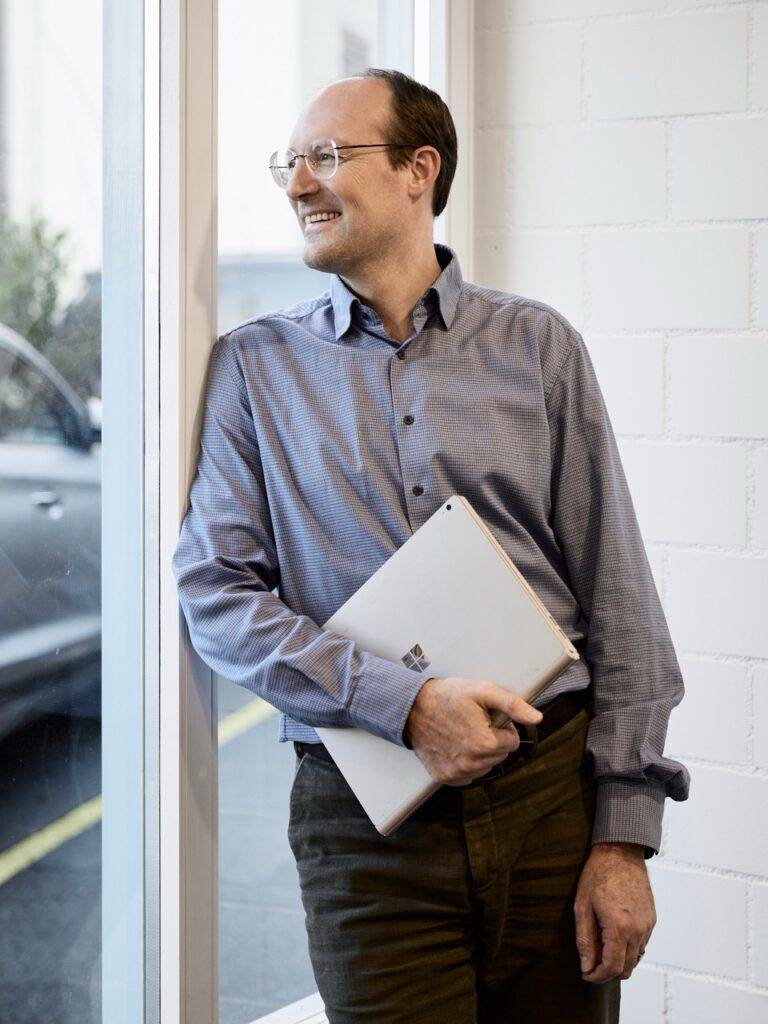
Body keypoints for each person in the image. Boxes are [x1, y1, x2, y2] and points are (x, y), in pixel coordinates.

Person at [171, 68, 690, 1023]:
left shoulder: (539, 348)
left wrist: (623, 839)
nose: (298, 183)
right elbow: (213, 594)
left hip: (552, 804)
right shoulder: (255, 368)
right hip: (365, 829)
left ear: (420, 170)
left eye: (328, 156)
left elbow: (620, 602)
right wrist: (403, 704)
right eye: (290, 162)